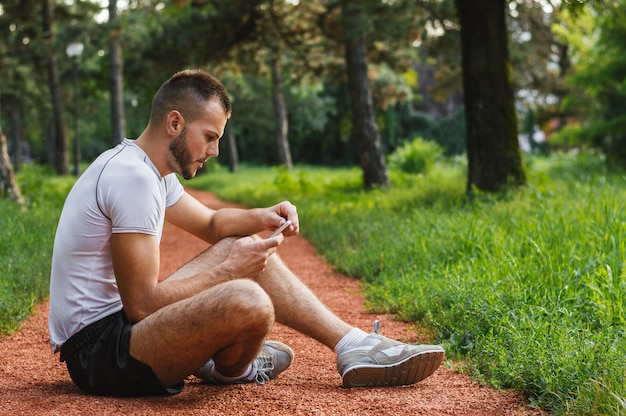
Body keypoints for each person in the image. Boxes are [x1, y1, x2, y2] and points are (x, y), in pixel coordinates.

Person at [48, 69, 445, 397]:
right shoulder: (132, 178)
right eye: (210, 136)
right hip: (100, 353)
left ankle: (352, 346)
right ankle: (227, 368)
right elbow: (141, 304)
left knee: (241, 250)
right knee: (249, 300)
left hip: (123, 330)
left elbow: (211, 224)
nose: (215, 151)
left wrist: (264, 215)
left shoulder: (148, 170)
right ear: (175, 122)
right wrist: (228, 272)